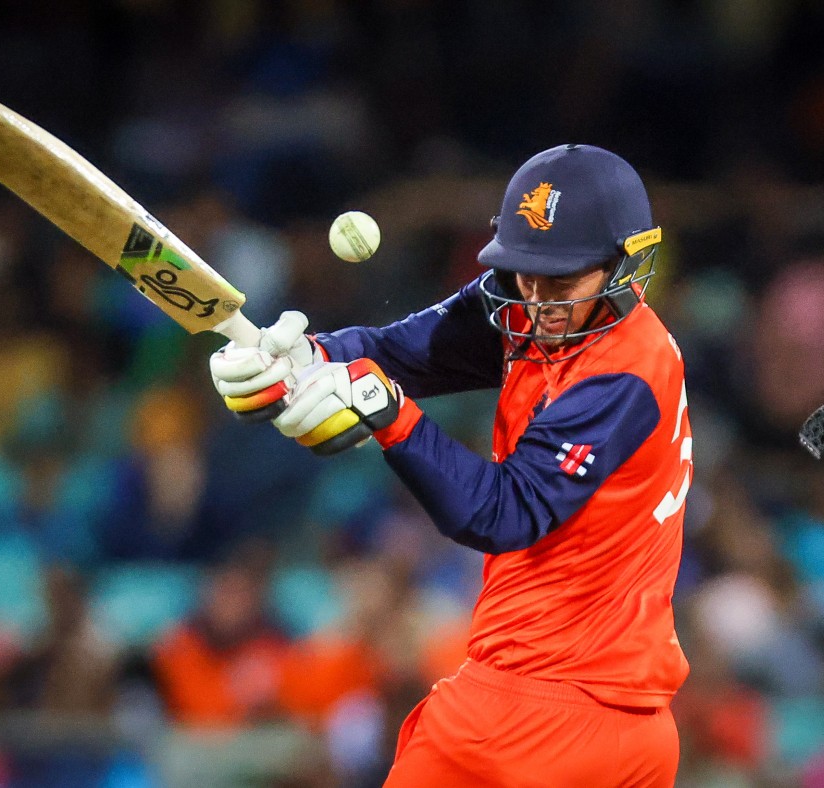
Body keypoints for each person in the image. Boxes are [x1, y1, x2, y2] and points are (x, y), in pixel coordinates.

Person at [209, 144, 693, 786]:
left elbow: (503, 512)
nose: (538, 301)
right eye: (525, 274)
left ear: (626, 268)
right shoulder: (532, 303)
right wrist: (299, 357)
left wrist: (388, 413)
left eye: (562, 281)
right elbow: (395, 352)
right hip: (634, 735)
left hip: (527, 719)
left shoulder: (623, 375)